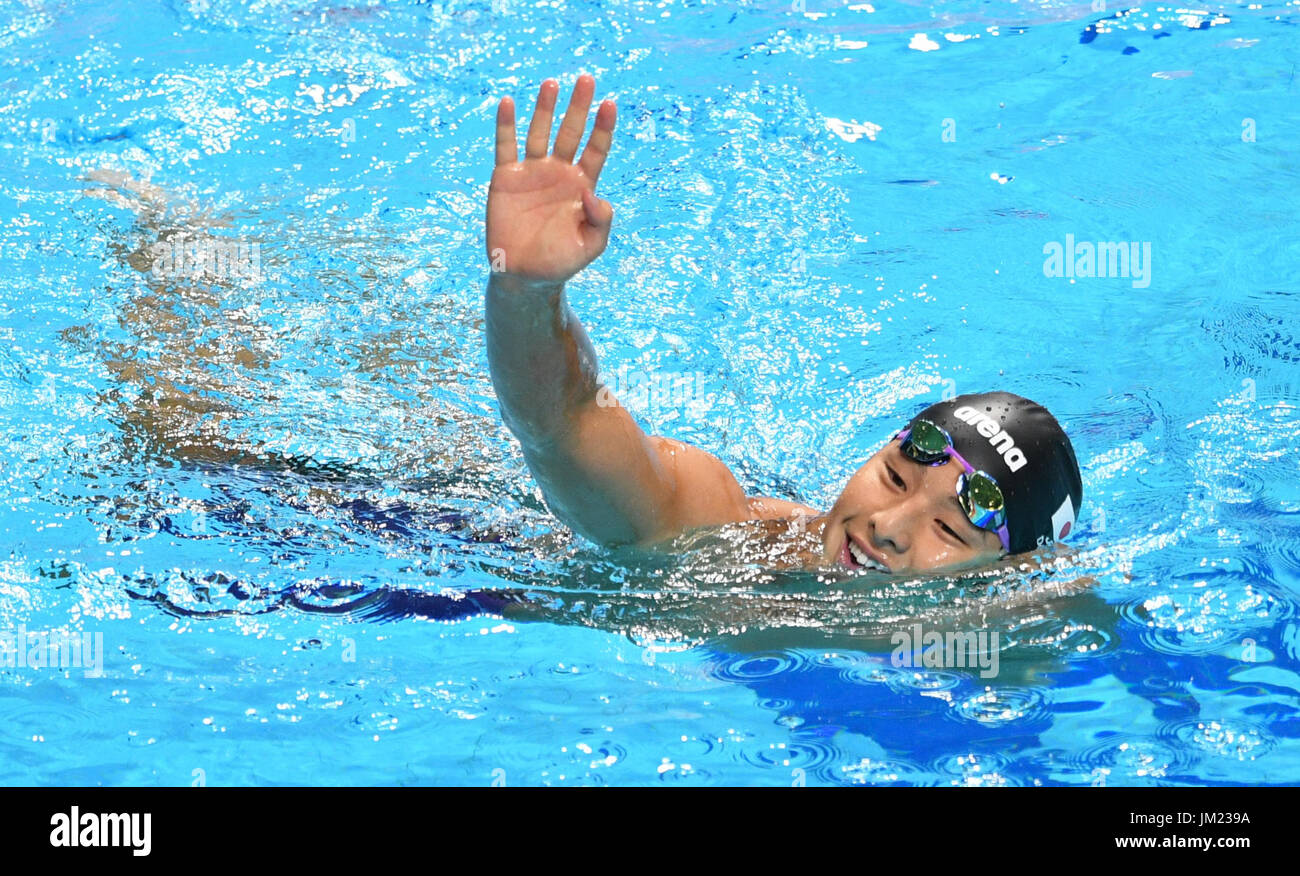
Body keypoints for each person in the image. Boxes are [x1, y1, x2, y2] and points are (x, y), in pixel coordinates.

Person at [485, 74, 1084, 577]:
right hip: (444, 524)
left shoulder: (977, 634)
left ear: (1008, 574)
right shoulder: (718, 534)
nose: (887, 527)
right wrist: (526, 292)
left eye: (949, 532)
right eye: (893, 479)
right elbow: (561, 423)